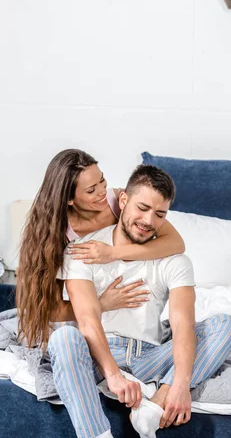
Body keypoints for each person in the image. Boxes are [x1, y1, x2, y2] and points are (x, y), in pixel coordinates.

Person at [47, 164, 231, 438]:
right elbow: (88, 321)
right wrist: (113, 376)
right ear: (122, 200)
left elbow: (182, 324)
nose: (150, 220)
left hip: (151, 355)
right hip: (100, 353)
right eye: (142, 207)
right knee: (64, 340)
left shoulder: (174, 260)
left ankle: (153, 404)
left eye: (160, 213)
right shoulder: (84, 251)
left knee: (225, 324)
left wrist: (178, 385)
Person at [17, 149, 185, 349]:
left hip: (134, 320)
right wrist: (101, 304)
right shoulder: (56, 234)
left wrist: (112, 253)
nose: (102, 191)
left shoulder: (121, 202)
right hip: (85, 317)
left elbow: (176, 243)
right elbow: (51, 309)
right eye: (91, 190)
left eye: (102, 181)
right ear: (69, 199)